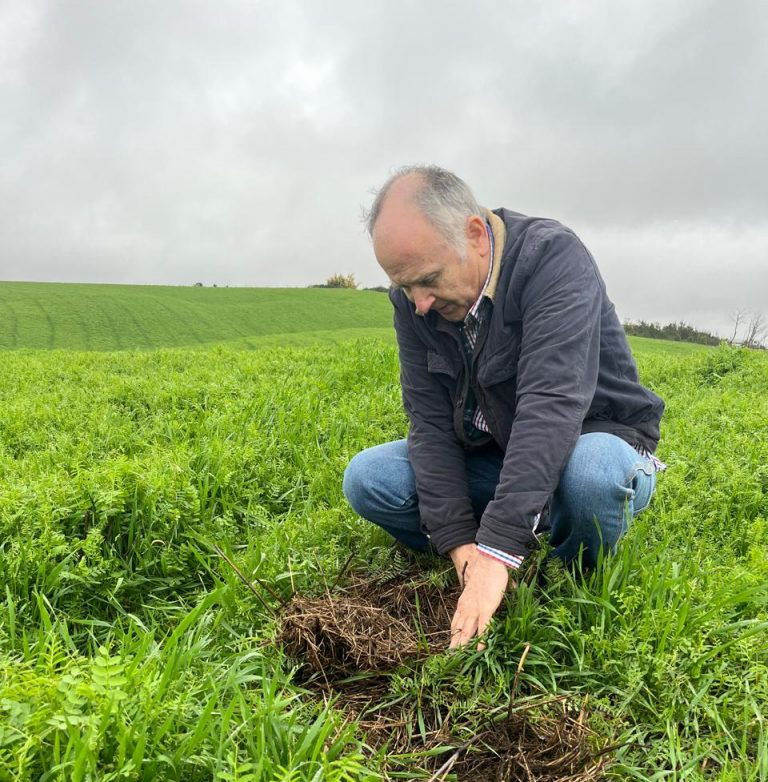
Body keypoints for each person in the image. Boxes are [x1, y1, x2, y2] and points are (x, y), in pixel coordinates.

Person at [343, 165, 665, 649]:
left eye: (428, 280)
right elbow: (429, 424)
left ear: (475, 235)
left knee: (592, 478)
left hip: (595, 439)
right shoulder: (416, 302)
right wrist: (461, 547)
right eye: (405, 287)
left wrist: (496, 550)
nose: (420, 304)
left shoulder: (552, 258)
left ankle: (558, 571)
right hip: (498, 450)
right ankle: (528, 527)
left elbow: (552, 405)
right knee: (369, 478)